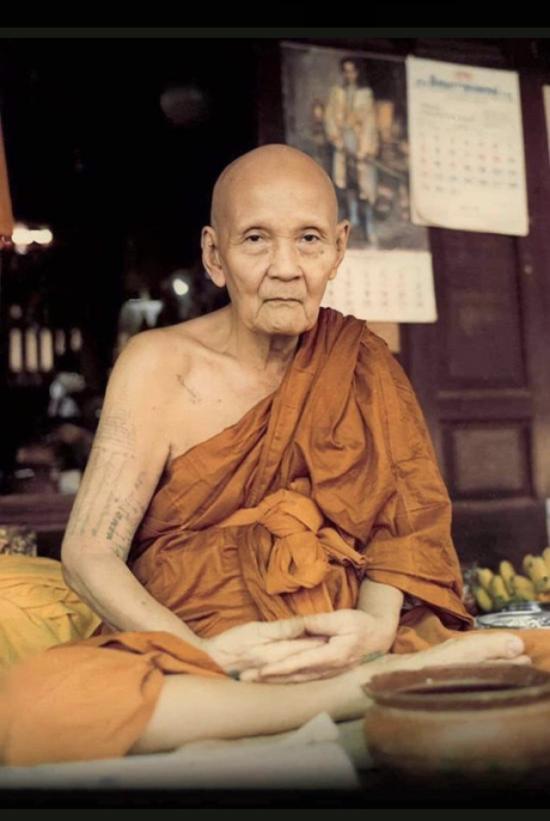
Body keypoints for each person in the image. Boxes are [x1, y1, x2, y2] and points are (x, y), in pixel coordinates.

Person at [0, 144, 545, 767]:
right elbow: (89, 552)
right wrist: (203, 655)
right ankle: (369, 690)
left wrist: (369, 632)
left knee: (534, 658)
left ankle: (358, 679)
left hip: (344, 635)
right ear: (215, 255)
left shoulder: (362, 363)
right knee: (29, 708)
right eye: (256, 239)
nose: (286, 268)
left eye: (308, 239)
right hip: (198, 638)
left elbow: (405, 534)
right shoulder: (159, 364)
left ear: (338, 248)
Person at [324, 57, 380, 246]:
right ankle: (353, 218)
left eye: (352, 71)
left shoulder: (365, 94)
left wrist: (364, 149)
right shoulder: (337, 93)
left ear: (357, 72)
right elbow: (330, 117)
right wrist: (337, 139)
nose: (349, 75)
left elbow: (370, 122)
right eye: (346, 71)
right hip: (343, 141)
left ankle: (369, 227)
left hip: (360, 141)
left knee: (365, 184)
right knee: (347, 182)